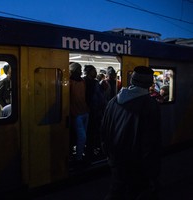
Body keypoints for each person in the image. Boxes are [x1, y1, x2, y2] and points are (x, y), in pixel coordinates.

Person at [101, 66, 162, 200]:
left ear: (132, 81)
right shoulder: (150, 105)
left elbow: (104, 130)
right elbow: (150, 141)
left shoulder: (114, 101)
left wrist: (109, 155)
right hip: (137, 164)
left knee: (117, 190)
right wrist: (152, 171)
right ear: (149, 83)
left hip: (115, 158)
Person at [83, 65, 107, 161]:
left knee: (94, 131)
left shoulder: (95, 82)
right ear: (88, 72)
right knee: (89, 131)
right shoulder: (84, 82)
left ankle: (92, 148)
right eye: (93, 71)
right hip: (88, 110)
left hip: (95, 110)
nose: (96, 73)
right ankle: (89, 150)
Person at [69, 62, 90, 164]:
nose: (80, 71)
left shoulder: (82, 81)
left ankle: (79, 153)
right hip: (76, 113)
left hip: (84, 111)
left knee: (82, 136)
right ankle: (78, 158)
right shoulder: (69, 82)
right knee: (82, 137)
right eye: (79, 69)